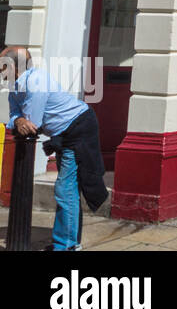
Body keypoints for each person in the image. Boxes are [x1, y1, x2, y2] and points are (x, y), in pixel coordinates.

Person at [1, 47, 107, 251]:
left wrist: (21, 119)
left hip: (78, 130)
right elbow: (15, 117)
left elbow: (32, 123)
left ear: (12, 67)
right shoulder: (16, 86)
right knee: (68, 188)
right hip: (64, 132)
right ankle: (70, 240)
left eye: (1, 65)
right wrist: (19, 119)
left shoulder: (36, 82)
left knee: (65, 189)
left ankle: (65, 246)